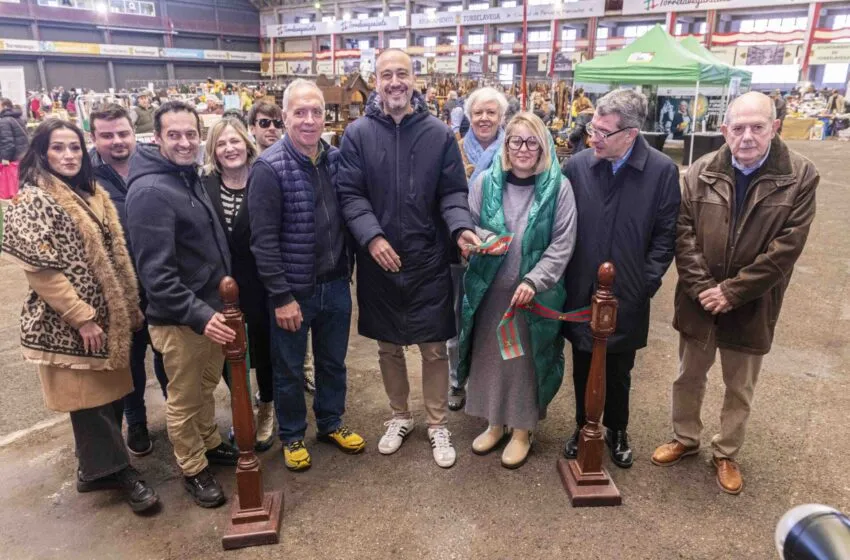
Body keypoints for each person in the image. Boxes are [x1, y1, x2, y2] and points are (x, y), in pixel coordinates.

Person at [651, 92, 819, 495]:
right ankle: (685, 438)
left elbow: (787, 248)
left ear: (774, 127)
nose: (747, 136)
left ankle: (726, 451)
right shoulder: (701, 170)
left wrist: (732, 292)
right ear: (724, 130)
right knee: (688, 376)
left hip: (753, 304)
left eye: (757, 127)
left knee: (739, 385)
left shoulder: (799, 175)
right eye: (738, 128)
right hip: (698, 300)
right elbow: (683, 233)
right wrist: (704, 288)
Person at [1, 119, 159, 514]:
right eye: (58, 148)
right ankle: (116, 471)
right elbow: (42, 270)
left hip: (109, 315)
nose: (68, 156)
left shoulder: (89, 191)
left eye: (73, 147)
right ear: (41, 152)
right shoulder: (35, 197)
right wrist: (81, 317)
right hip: (71, 324)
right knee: (89, 402)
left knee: (106, 396)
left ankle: (95, 468)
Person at [337, 49, 479, 468]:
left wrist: (461, 228)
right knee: (388, 347)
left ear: (414, 79)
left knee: (433, 348)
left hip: (427, 259)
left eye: (402, 73)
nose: (394, 81)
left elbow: (453, 192)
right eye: (386, 75)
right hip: (379, 261)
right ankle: (399, 416)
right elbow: (350, 193)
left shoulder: (437, 134)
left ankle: (436, 423)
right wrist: (372, 237)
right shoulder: (357, 134)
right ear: (375, 81)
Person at [126, 101, 238, 508]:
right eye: (174, 135)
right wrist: (201, 315)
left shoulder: (185, 178)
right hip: (182, 322)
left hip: (210, 315)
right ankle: (192, 467)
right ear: (156, 139)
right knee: (185, 399)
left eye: (191, 133)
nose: (185, 141)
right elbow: (156, 277)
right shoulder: (151, 192)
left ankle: (208, 442)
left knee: (206, 387)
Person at [561, 89, 681, 469]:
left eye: (603, 132)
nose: (592, 137)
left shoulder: (661, 171)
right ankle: (584, 425)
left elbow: (666, 236)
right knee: (583, 361)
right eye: (592, 128)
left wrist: (644, 283)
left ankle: (617, 429)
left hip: (628, 291)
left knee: (619, 367)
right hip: (582, 288)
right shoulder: (578, 167)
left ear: (630, 134)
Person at [248, 79, 362, 471]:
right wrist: (281, 296)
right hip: (295, 292)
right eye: (300, 112)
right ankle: (292, 434)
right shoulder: (268, 168)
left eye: (316, 112)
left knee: (333, 362)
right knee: (290, 368)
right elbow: (263, 241)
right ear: (284, 117)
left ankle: (330, 423)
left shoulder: (333, 158)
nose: (309, 120)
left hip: (335, 283)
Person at [457, 112, 577, 469]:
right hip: (489, 290)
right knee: (491, 357)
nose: (523, 149)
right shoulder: (484, 184)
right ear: (506, 146)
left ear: (543, 146)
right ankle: (494, 423)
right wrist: (474, 243)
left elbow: (562, 243)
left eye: (531, 142)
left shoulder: (560, 188)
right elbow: (471, 224)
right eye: (516, 141)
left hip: (533, 294)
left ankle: (523, 429)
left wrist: (533, 281)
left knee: (525, 362)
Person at [89, 104, 169, 456]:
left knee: (168, 355)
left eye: (123, 133)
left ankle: (181, 414)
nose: (117, 141)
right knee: (130, 361)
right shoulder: (84, 177)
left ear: (134, 133)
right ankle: (136, 422)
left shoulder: (154, 162)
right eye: (107, 135)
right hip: (120, 289)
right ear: (94, 138)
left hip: (161, 281)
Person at [201, 118, 276, 452]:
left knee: (265, 347)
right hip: (221, 285)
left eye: (234, 141)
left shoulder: (265, 176)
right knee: (231, 351)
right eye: (221, 144)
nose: (229, 149)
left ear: (247, 144)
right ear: (213, 151)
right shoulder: (203, 184)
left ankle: (267, 407)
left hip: (261, 281)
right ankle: (241, 406)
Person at [446, 87, 508, 412]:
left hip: (501, 250)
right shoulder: (453, 149)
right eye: (479, 112)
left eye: (491, 112)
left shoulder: (513, 149)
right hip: (460, 249)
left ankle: (486, 384)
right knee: (458, 318)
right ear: (469, 116)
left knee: (493, 320)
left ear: (501, 118)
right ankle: (456, 381)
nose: (484, 118)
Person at [0, 97, 29, 167]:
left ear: (5, 106)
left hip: (14, 158)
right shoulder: (17, 117)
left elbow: (7, 142)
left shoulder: (4, 121)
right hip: (23, 155)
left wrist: (5, 158)